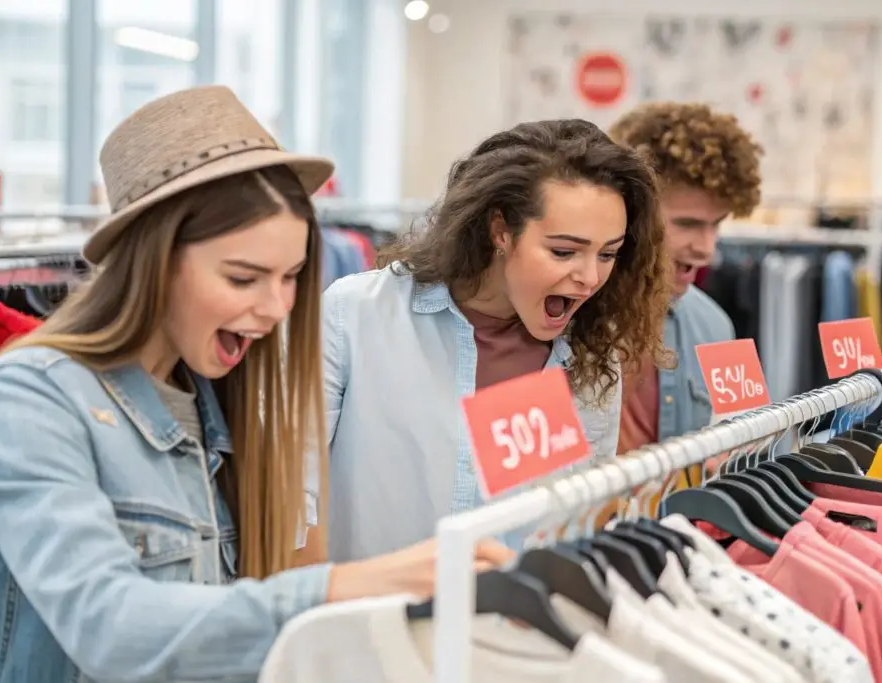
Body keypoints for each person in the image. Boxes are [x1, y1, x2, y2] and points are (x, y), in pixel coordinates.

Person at [0, 86, 512, 683]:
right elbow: (111, 625)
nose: (277, 307)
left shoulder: (220, 403)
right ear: (153, 261)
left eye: (290, 278)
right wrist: (348, 584)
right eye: (243, 278)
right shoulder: (29, 398)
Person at [312, 118, 675, 561]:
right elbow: (295, 498)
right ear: (500, 230)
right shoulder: (358, 314)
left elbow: (581, 516)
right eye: (564, 251)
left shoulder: (591, 359)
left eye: (608, 254)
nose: (589, 277)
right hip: (369, 619)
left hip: (510, 621)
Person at [608, 102, 764, 469]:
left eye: (717, 224)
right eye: (688, 224)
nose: (707, 249)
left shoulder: (715, 326)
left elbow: (751, 444)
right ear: (631, 212)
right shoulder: (564, 321)